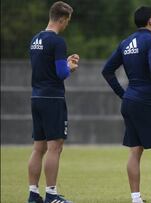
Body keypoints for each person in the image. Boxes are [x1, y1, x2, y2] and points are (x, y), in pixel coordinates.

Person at [102, 6, 151, 203]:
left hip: (130, 100)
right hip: (146, 100)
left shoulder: (126, 42)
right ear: (150, 21)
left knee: (135, 149)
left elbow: (107, 71)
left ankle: (135, 198)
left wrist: (123, 94)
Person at [27, 1, 79, 203]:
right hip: (52, 98)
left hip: (36, 96)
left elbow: (45, 67)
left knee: (38, 148)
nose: (67, 25)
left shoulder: (35, 39)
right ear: (63, 19)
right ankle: (51, 194)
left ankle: (33, 194)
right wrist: (70, 67)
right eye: (68, 21)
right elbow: (60, 73)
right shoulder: (57, 42)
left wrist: (64, 63)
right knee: (54, 147)